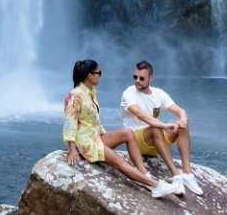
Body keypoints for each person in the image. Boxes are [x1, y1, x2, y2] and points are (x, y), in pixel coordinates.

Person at [63, 59, 182, 198]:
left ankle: (143, 173)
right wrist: (72, 149)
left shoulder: (91, 92)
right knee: (120, 162)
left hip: (97, 137)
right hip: (86, 143)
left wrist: (104, 135)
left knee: (128, 133)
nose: (100, 75)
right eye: (98, 72)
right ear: (90, 75)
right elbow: (69, 122)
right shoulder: (75, 95)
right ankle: (155, 186)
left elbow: (93, 120)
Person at [120, 60, 204, 195]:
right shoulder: (128, 93)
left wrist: (182, 120)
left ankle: (187, 174)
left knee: (184, 123)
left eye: (142, 78)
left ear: (151, 78)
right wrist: (164, 126)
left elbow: (180, 110)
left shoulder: (159, 93)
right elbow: (141, 115)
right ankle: (176, 176)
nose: (137, 81)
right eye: (135, 77)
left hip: (157, 138)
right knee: (155, 127)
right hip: (137, 140)